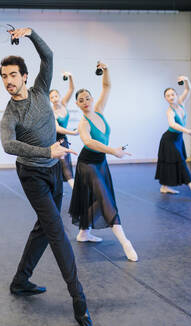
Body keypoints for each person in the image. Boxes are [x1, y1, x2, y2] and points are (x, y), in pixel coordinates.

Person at [0, 27, 93, 326]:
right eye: (3, 76)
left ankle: (20, 280)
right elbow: (8, 145)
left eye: (12, 74)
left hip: (53, 170)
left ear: (24, 76)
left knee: (44, 227)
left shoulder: (40, 89)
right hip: (32, 175)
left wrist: (31, 34)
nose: (8, 81)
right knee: (56, 232)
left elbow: (48, 55)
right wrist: (46, 151)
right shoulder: (10, 113)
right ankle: (79, 299)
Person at [69, 62, 138, 260]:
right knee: (106, 199)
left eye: (87, 98)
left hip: (100, 163)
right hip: (88, 165)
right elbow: (89, 142)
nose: (85, 102)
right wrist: (113, 151)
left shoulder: (99, 110)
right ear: (77, 105)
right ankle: (126, 242)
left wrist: (106, 69)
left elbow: (107, 87)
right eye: (81, 100)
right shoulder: (83, 123)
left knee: (101, 198)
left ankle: (84, 232)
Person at [155, 76, 191, 200]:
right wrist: (188, 131)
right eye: (168, 95)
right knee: (180, 162)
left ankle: (164, 187)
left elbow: (188, 89)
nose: (171, 97)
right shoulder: (169, 111)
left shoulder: (181, 103)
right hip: (169, 139)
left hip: (177, 139)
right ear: (165, 98)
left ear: (176, 95)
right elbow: (172, 124)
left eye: (172, 94)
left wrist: (185, 79)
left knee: (171, 162)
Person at [49, 72, 79, 188]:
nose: (54, 98)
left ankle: (57, 190)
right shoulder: (52, 112)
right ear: (50, 100)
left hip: (63, 138)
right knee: (65, 166)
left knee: (64, 166)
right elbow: (58, 128)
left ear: (59, 96)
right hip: (55, 140)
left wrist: (70, 76)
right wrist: (74, 132)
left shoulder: (64, 104)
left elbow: (72, 89)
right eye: (52, 97)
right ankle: (76, 191)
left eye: (56, 96)